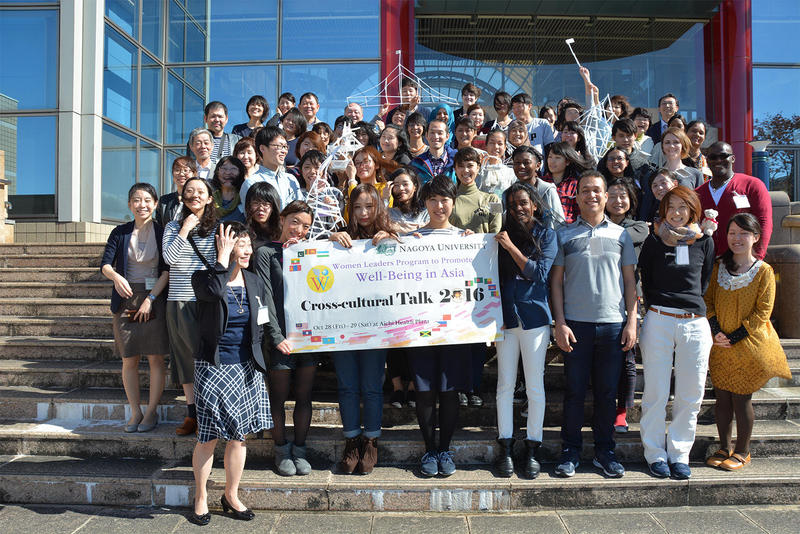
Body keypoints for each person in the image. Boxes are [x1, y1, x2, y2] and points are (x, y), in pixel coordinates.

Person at [188, 222, 287, 525]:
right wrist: (222, 259)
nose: (246, 251)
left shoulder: (254, 280)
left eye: (247, 245)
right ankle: (201, 496)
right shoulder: (203, 278)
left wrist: (275, 340)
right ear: (224, 246)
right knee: (208, 436)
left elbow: (263, 317)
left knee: (239, 437)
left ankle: (231, 495)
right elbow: (214, 291)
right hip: (214, 365)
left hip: (247, 367)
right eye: (239, 245)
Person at [551, 170, 638, 478]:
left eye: (597, 190)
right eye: (585, 190)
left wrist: (632, 322)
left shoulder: (621, 235)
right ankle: (570, 451)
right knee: (574, 392)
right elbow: (556, 283)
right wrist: (559, 322)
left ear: (606, 196)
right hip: (576, 325)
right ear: (577, 197)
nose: (592, 195)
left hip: (613, 324)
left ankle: (605, 451)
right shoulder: (563, 234)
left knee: (606, 392)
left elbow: (630, 282)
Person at [638, 186, 715, 480]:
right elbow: (646, 278)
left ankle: (680, 453)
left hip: (694, 323)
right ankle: (655, 453)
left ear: (693, 209)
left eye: (683, 206)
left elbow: (704, 281)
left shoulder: (704, 241)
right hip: (659, 319)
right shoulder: (654, 241)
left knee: (690, 393)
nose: (676, 212)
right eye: (670, 207)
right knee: (655, 392)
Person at [704, 213, 791, 471]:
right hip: (720, 344)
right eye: (732, 233)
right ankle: (724, 447)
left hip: (749, 345)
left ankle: (742, 451)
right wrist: (717, 332)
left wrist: (734, 337)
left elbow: (763, 311)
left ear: (755, 237)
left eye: (743, 233)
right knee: (722, 398)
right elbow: (708, 300)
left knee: (741, 399)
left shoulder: (764, 271)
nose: (737, 238)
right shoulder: (718, 267)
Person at [328, 184, 398, 475]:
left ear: (378, 207)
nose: (363, 213)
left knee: (371, 386)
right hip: (342, 324)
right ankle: (351, 441)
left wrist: (393, 240)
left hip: (376, 326)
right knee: (347, 386)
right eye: (357, 207)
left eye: (369, 206)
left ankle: (371, 441)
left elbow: (407, 266)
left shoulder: (389, 234)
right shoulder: (341, 234)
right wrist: (331, 239)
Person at [408, 175, 473, 477]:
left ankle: (444, 449)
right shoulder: (413, 240)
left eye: (444, 199)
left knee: (449, 391)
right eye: (432, 200)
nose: (438, 206)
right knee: (424, 391)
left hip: (454, 329)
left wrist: (473, 244)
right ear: (425, 203)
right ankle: (429, 449)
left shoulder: (465, 239)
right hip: (421, 328)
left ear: (453, 202)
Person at [493, 182, 557, 479]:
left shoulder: (547, 235)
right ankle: (505, 445)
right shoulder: (501, 235)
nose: (518, 208)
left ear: (534, 204)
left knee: (534, 387)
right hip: (506, 319)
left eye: (523, 202)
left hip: (534, 319)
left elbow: (538, 273)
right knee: (505, 385)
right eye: (512, 204)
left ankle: (533, 446)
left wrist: (510, 247)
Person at [254, 201, 316, 477]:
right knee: (277, 399)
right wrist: (276, 336)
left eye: (306, 226)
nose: (299, 229)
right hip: (279, 338)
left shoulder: (312, 251)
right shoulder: (266, 252)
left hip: (308, 338)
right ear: (282, 219)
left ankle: (300, 449)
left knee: (304, 397)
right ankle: (281, 450)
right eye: (295, 222)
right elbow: (264, 297)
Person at [101, 183, 169, 434]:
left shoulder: (163, 232)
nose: (142, 205)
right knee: (129, 358)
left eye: (147, 200)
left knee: (155, 357)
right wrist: (116, 277)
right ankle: (135, 411)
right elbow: (105, 264)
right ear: (130, 204)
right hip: (125, 298)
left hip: (155, 297)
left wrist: (151, 298)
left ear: (155, 204)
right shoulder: (120, 232)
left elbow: (167, 270)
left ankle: (151, 411)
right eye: (137, 200)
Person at [162, 177, 219, 436]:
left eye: (200, 191)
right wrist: (185, 228)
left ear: (210, 198)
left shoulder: (218, 228)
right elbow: (170, 259)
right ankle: (192, 413)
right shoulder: (173, 227)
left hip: (206, 301)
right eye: (189, 191)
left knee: (206, 358)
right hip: (178, 299)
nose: (194, 195)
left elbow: (221, 264)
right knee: (184, 359)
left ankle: (208, 412)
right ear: (182, 196)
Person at [449, 147, 502, 407]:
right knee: (459, 333)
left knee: (479, 334)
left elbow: (498, 231)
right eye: (461, 166)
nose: (466, 170)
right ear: (455, 169)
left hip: (484, 275)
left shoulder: (493, 197)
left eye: (470, 165)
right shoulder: (449, 199)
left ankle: (475, 387)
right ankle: (460, 386)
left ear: (478, 168)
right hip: (454, 277)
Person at [604, 177, 648, 433]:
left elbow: (617, 238)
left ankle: (622, 411)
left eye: (623, 196)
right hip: (601, 297)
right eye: (612, 195)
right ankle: (605, 405)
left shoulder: (639, 227)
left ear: (631, 200)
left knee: (627, 357)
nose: (617, 201)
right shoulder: (597, 225)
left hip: (628, 297)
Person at [697, 142, 774, 259]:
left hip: (742, 261)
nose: (718, 160)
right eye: (713, 157)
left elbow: (764, 222)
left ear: (733, 158)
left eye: (723, 156)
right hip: (707, 262)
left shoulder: (752, 185)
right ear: (707, 161)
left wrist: (757, 257)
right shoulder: (698, 193)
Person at [640, 128, 705, 223]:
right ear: (662, 146)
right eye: (667, 142)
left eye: (676, 142)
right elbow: (647, 205)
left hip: (688, 225)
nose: (671, 146)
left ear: (683, 145)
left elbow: (701, 204)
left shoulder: (695, 174)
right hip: (661, 226)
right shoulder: (653, 175)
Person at [241, 126, 302, 211]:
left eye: (285, 147)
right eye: (279, 146)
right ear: (262, 148)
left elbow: (300, 210)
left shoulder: (291, 180)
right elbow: (251, 215)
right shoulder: (252, 183)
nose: (284, 151)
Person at [511, 145, 565, 228]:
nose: (521, 166)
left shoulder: (548, 191)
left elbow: (559, 225)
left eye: (526, 163)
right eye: (517, 163)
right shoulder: (509, 193)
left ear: (538, 165)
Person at [541, 142, 590, 224]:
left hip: (569, 228)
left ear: (567, 162)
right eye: (550, 157)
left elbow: (580, 213)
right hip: (545, 227)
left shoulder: (575, 184)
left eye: (557, 158)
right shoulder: (541, 182)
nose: (552, 161)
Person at [187, 101, 241, 166]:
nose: (217, 120)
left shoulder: (237, 140)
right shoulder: (195, 139)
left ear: (226, 119)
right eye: (213, 116)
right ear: (205, 118)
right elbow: (191, 165)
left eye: (220, 116)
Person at [410, 118, 457, 184]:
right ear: (426, 135)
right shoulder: (416, 164)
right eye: (432, 133)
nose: (436, 136)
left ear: (447, 136)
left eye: (440, 133)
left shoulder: (456, 161)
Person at [155, 157, 196, 227]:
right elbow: (160, 228)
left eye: (186, 170)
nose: (181, 174)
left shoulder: (198, 199)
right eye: (177, 170)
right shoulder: (164, 201)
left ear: (194, 174)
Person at [476, 129, 516, 198]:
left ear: (505, 147)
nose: (496, 147)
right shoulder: (477, 171)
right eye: (492, 143)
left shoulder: (510, 173)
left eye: (500, 144)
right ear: (486, 146)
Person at [387, 167, 429, 232]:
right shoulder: (389, 213)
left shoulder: (426, 212)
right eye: (396, 185)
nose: (401, 188)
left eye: (405, 184)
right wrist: (385, 198)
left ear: (415, 187)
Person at [244, 181, 281, 251]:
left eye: (266, 204)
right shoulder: (245, 233)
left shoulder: (284, 230)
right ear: (249, 205)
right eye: (256, 203)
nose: (261, 208)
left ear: (274, 207)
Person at [210, 156, 247, 223]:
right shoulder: (209, 198)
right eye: (224, 168)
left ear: (240, 173)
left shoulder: (245, 199)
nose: (228, 172)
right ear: (217, 172)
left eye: (233, 169)